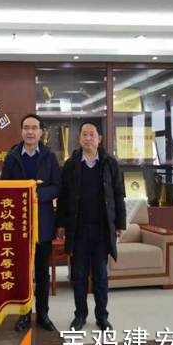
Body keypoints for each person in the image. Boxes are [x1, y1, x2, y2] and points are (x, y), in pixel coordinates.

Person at [56, 121, 126, 332]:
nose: (88, 138)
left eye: (91, 134)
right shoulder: (71, 165)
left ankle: (102, 316)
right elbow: (63, 197)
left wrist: (120, 224)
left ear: (99, 139)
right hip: (78, 229)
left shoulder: (110, 164)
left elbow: (118, 196)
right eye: (84, 135)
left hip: (102, 230)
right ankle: (80, 315)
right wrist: (61, 224)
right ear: (79, 139)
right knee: (79, 275)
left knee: (101, 276)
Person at [1, 113, 60, 332]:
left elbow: (57, 187)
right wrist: (21, 195)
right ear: (21, 131)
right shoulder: (12, 157)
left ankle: (43, 314)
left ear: (41, 132)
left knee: (42, 272)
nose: (30, 132)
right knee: (23, 273)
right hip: (18, 225)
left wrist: (37, 195)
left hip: (43, 224)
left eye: (34, 128)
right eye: (26, 127)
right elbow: (4, 187)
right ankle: (24, 314)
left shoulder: (49, 157)